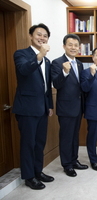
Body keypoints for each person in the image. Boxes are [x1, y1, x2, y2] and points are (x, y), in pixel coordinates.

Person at [12, 23, 54, 190]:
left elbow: (46, 85)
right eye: (39, 34)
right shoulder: (21, 54)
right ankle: (29, 177)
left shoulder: (48, 61)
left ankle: (38, 171)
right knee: (28, 143)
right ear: (31, 36)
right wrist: (39, 56)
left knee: (39, 143)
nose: (42, 38)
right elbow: (23, 70)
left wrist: (49, 105)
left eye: (45, 36)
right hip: (27, 108)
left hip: (42, 108)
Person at [51, 34, 88, 177]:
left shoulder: (79, 63)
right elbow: (56, 84)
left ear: (79, 47)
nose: (73, 47)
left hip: (78, 106)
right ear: (64, 46)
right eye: (70, 44)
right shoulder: (57, 63)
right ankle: (67, 165)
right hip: (66, 107)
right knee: (66, 136)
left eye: (76, 45)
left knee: (74, 136)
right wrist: (64, 72)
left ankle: (74, 160)